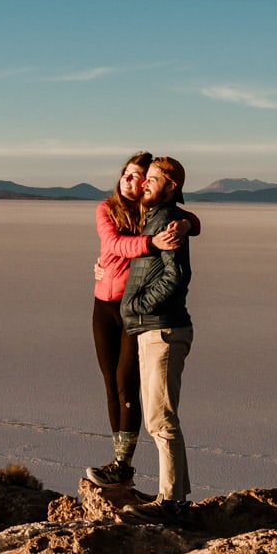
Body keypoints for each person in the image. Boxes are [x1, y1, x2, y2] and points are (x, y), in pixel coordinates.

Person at [86, 154, 193, 486]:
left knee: (126, 383)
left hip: (133, 311)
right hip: (104, 306)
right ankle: (119, 461)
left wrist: (185, 224)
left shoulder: (150, 212)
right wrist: (151, 242)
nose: (132, 182)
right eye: (127, 176)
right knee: (110, 385)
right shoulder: (107, 208)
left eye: (140, 177)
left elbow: (189, 220)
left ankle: (123, 465)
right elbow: (113, 242)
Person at [120, 155, 193, 514]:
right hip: (154, 329)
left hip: (162, 329)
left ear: (172, 186)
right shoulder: (156, 217)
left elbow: (176, 275)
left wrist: (136, 305)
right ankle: (172, 494)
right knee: (157, 418)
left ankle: (172, 502)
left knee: (162, 419)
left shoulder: (165, 219)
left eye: (153, 178)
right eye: (144, 177)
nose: (145, 183)